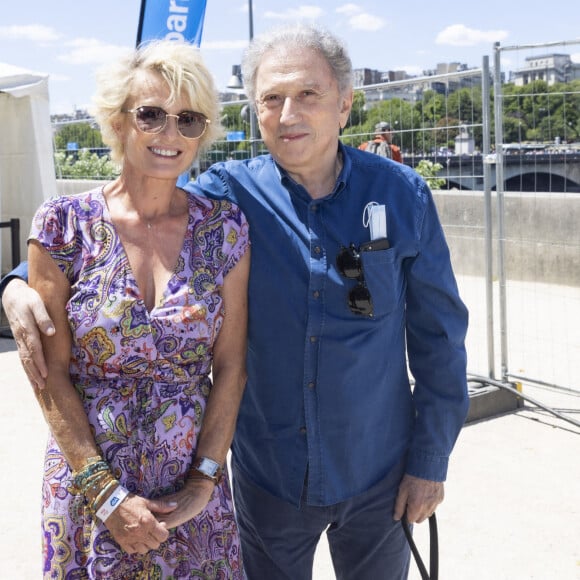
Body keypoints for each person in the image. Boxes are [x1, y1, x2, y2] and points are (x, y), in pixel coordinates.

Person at [1, 24, 468, 580]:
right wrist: (18, 279)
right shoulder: (228, 194)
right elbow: (134, 223)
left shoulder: (401, 194)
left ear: (345, 104)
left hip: (379, 474)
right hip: (271, 480)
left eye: (308, 95)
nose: (288, 113)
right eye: (271, 98)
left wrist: (429, 462)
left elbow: (441, 340)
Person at [12, 39, 250, 578]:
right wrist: (105, 493)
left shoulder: (225, 228)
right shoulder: (62, 226)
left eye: (188, 119)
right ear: (118, 122)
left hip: (189, 497)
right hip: (88, 484)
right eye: (151, 115)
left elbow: (231, 365)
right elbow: (48, 374)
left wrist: (204, 480)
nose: (171, 135)